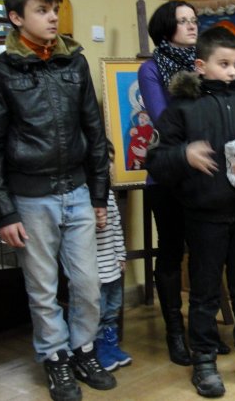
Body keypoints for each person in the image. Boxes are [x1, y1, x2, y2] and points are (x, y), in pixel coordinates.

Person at [0, 0, 116, 401]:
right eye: (42, 10)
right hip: (30, 198)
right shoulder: (0, 71)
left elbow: (94, 132)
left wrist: (98, 195)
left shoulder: (75, 63)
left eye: (54, 9)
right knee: (42, 289)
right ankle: (55, 358)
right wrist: (5, 211)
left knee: (88, 284)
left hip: (78, 191)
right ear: (16, 18)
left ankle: (84, 350)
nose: (53, 17)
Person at [146, 26, 235, 397]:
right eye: (223, 64)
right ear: (200, 65)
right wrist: (184, 155)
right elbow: (155, 160)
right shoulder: (181, 111)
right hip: (203, 215)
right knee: (205, 292)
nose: (231, 71)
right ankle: (204, 360)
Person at [138, 0, 230, 366]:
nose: (192, 26)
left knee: (206, 253)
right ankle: (175, 332)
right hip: (168, 172)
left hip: (205, 170)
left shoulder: (204, 64)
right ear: (166, 28)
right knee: (171, 252)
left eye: (194, 20)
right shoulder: (150, 69)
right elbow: (164, 119)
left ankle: (202, 330)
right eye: (183, 21)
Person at [94, 142, 132, 372]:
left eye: (111, 161)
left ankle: (111, 344)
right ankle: (97, 347)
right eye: (103, 161)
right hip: (95, 270)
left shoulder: (108, 195)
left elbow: (116, 227)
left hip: (113, 268)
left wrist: (121, 255)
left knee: (112, 308)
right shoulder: (86, 197)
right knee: (97, 311)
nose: (108, 166)